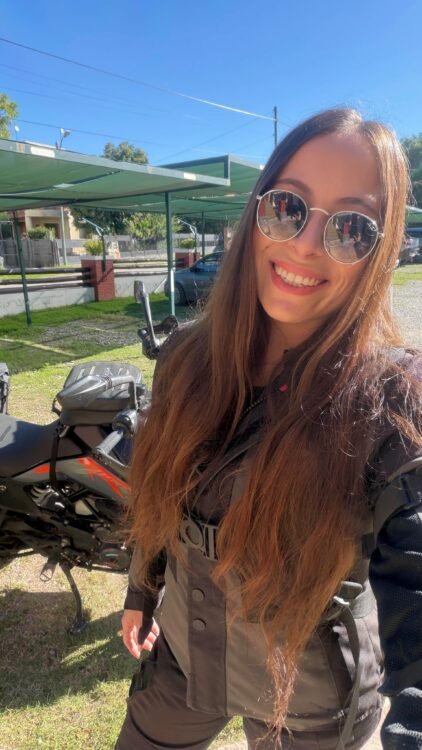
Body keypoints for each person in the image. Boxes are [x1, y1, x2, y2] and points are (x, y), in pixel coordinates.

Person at [115, 108, 422, 750]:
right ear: (256, 213)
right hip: (185, 657)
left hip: (310, 701)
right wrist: (142, 589)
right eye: (288, 207)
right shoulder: (185, 359)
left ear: (380, 253)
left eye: (351, 228)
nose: (306, 244)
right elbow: (157, 494)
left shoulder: (392, 401)